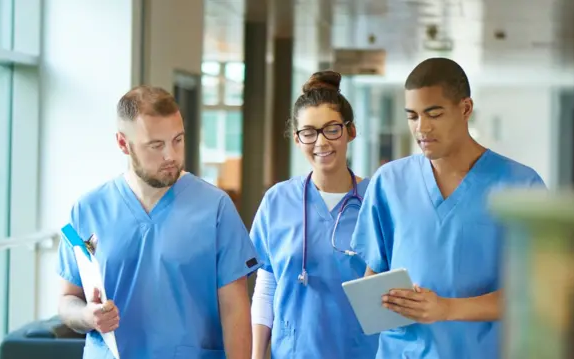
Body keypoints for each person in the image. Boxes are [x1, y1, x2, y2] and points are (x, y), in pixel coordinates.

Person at [351, 58, 546, 359]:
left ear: (466, 108)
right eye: (412, 116)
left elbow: (533, 295)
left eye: (434, 114)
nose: (422, 128)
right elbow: (374, 277)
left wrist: (446, 309)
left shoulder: (520, 185)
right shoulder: (389, 182)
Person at [56, 85, 260, 359]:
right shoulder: (88, 209)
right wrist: (86, 316)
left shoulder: (215, 208)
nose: (171, 156)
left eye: (178, 140)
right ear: (122, 143)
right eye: (156, 145)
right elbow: (68, 298)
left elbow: (235, 311)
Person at [249, 71, 379, 359]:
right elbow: (267, 284)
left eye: (332, 129)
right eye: (308, 132)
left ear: (351, 131)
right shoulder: (277, 201)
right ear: (297, 139)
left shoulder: (375, 202)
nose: (320, 142)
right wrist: (257, 355)